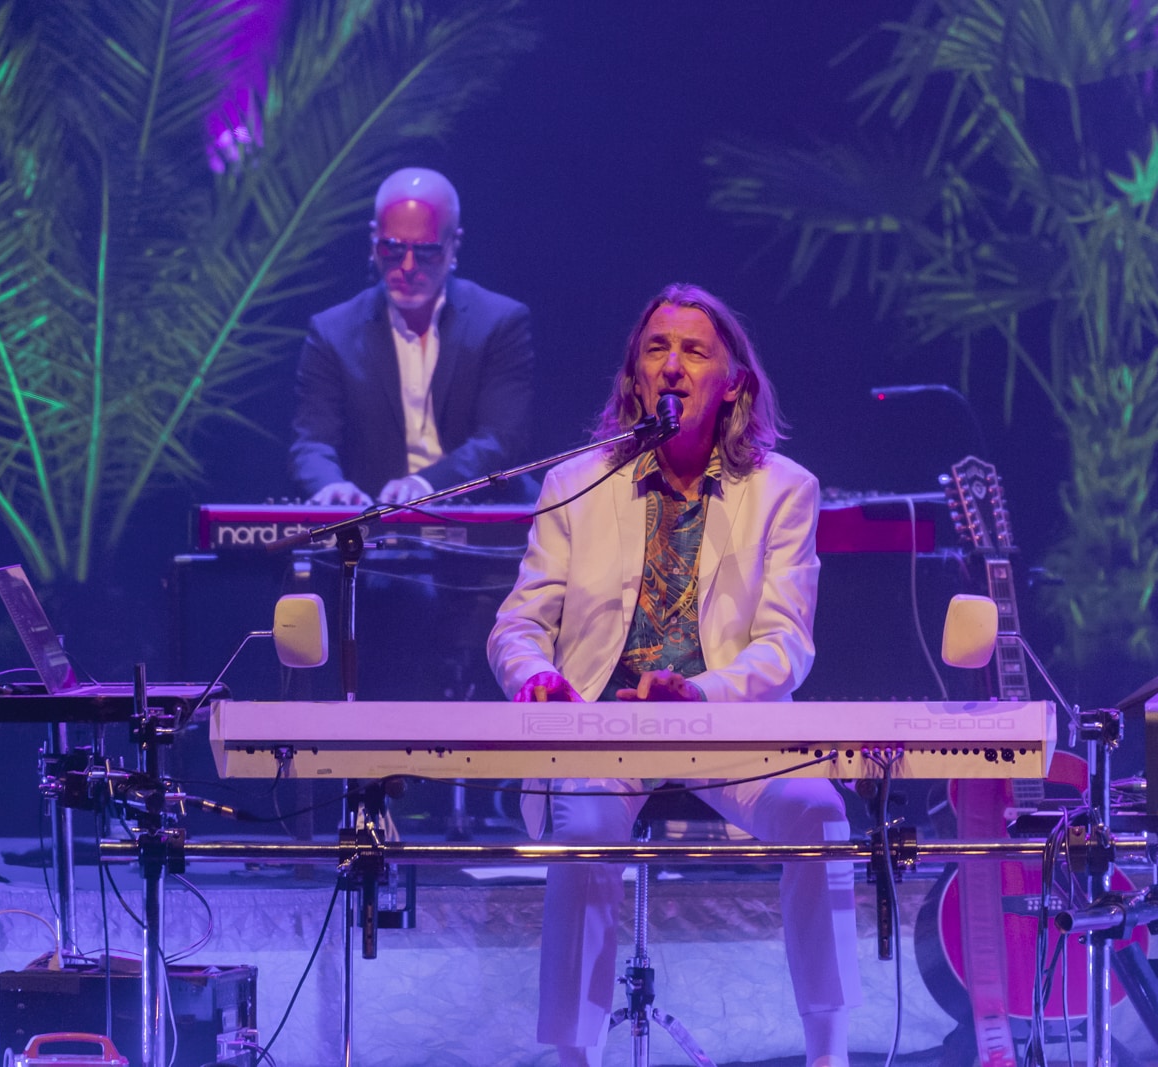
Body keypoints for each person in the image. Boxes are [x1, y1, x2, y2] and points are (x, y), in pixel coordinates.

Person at [487, 284, 860, 1067]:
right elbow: (519, 625)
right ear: (633, 380)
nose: (673, 365)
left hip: (728, 728)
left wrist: (701, 691)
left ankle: (830, 1053)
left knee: (820, 815)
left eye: (695, 350)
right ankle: (574, 1057)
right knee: (585, 833)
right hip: (602, 729)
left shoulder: (785, 491)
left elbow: (787, 643)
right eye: (656, 349)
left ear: (735, 382)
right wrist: (535, 680)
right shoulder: (575, 485)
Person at [290, 167, 533, 505]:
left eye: (426, 251)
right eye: (391, 248)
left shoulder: (499, 322)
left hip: (481, 514)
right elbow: (314, 443)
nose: (406, 266)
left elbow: (501, 438)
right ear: (373, 240)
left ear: (454, 245)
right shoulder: (332, 332)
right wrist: (330, 486)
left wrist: (426, 484)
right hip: (377, 520)